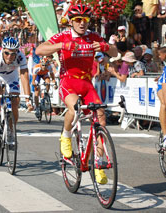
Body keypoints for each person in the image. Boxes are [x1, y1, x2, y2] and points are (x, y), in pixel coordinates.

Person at [35, 4, 118, 184]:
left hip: (87, 84)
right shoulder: (64, 35)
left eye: (85, 20)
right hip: (69, 82)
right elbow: (39, 50)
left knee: (101, 118)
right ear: (71, 21)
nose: (82, 23)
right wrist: (61, 45)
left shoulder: (92, 36)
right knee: (74, 108)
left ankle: (98, 163)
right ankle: (65, 137)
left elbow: (115, 52)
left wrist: (104, 46)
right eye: (78, 20)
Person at [0, 37, 32, 142]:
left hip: (11, 77)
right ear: (2, 50)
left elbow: (24, 77)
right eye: (7, 53)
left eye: (13, 54)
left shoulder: (21, 57)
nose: (10, 56)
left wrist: (28, 99)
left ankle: (11, 130)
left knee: (15, 101)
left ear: (17, 52)